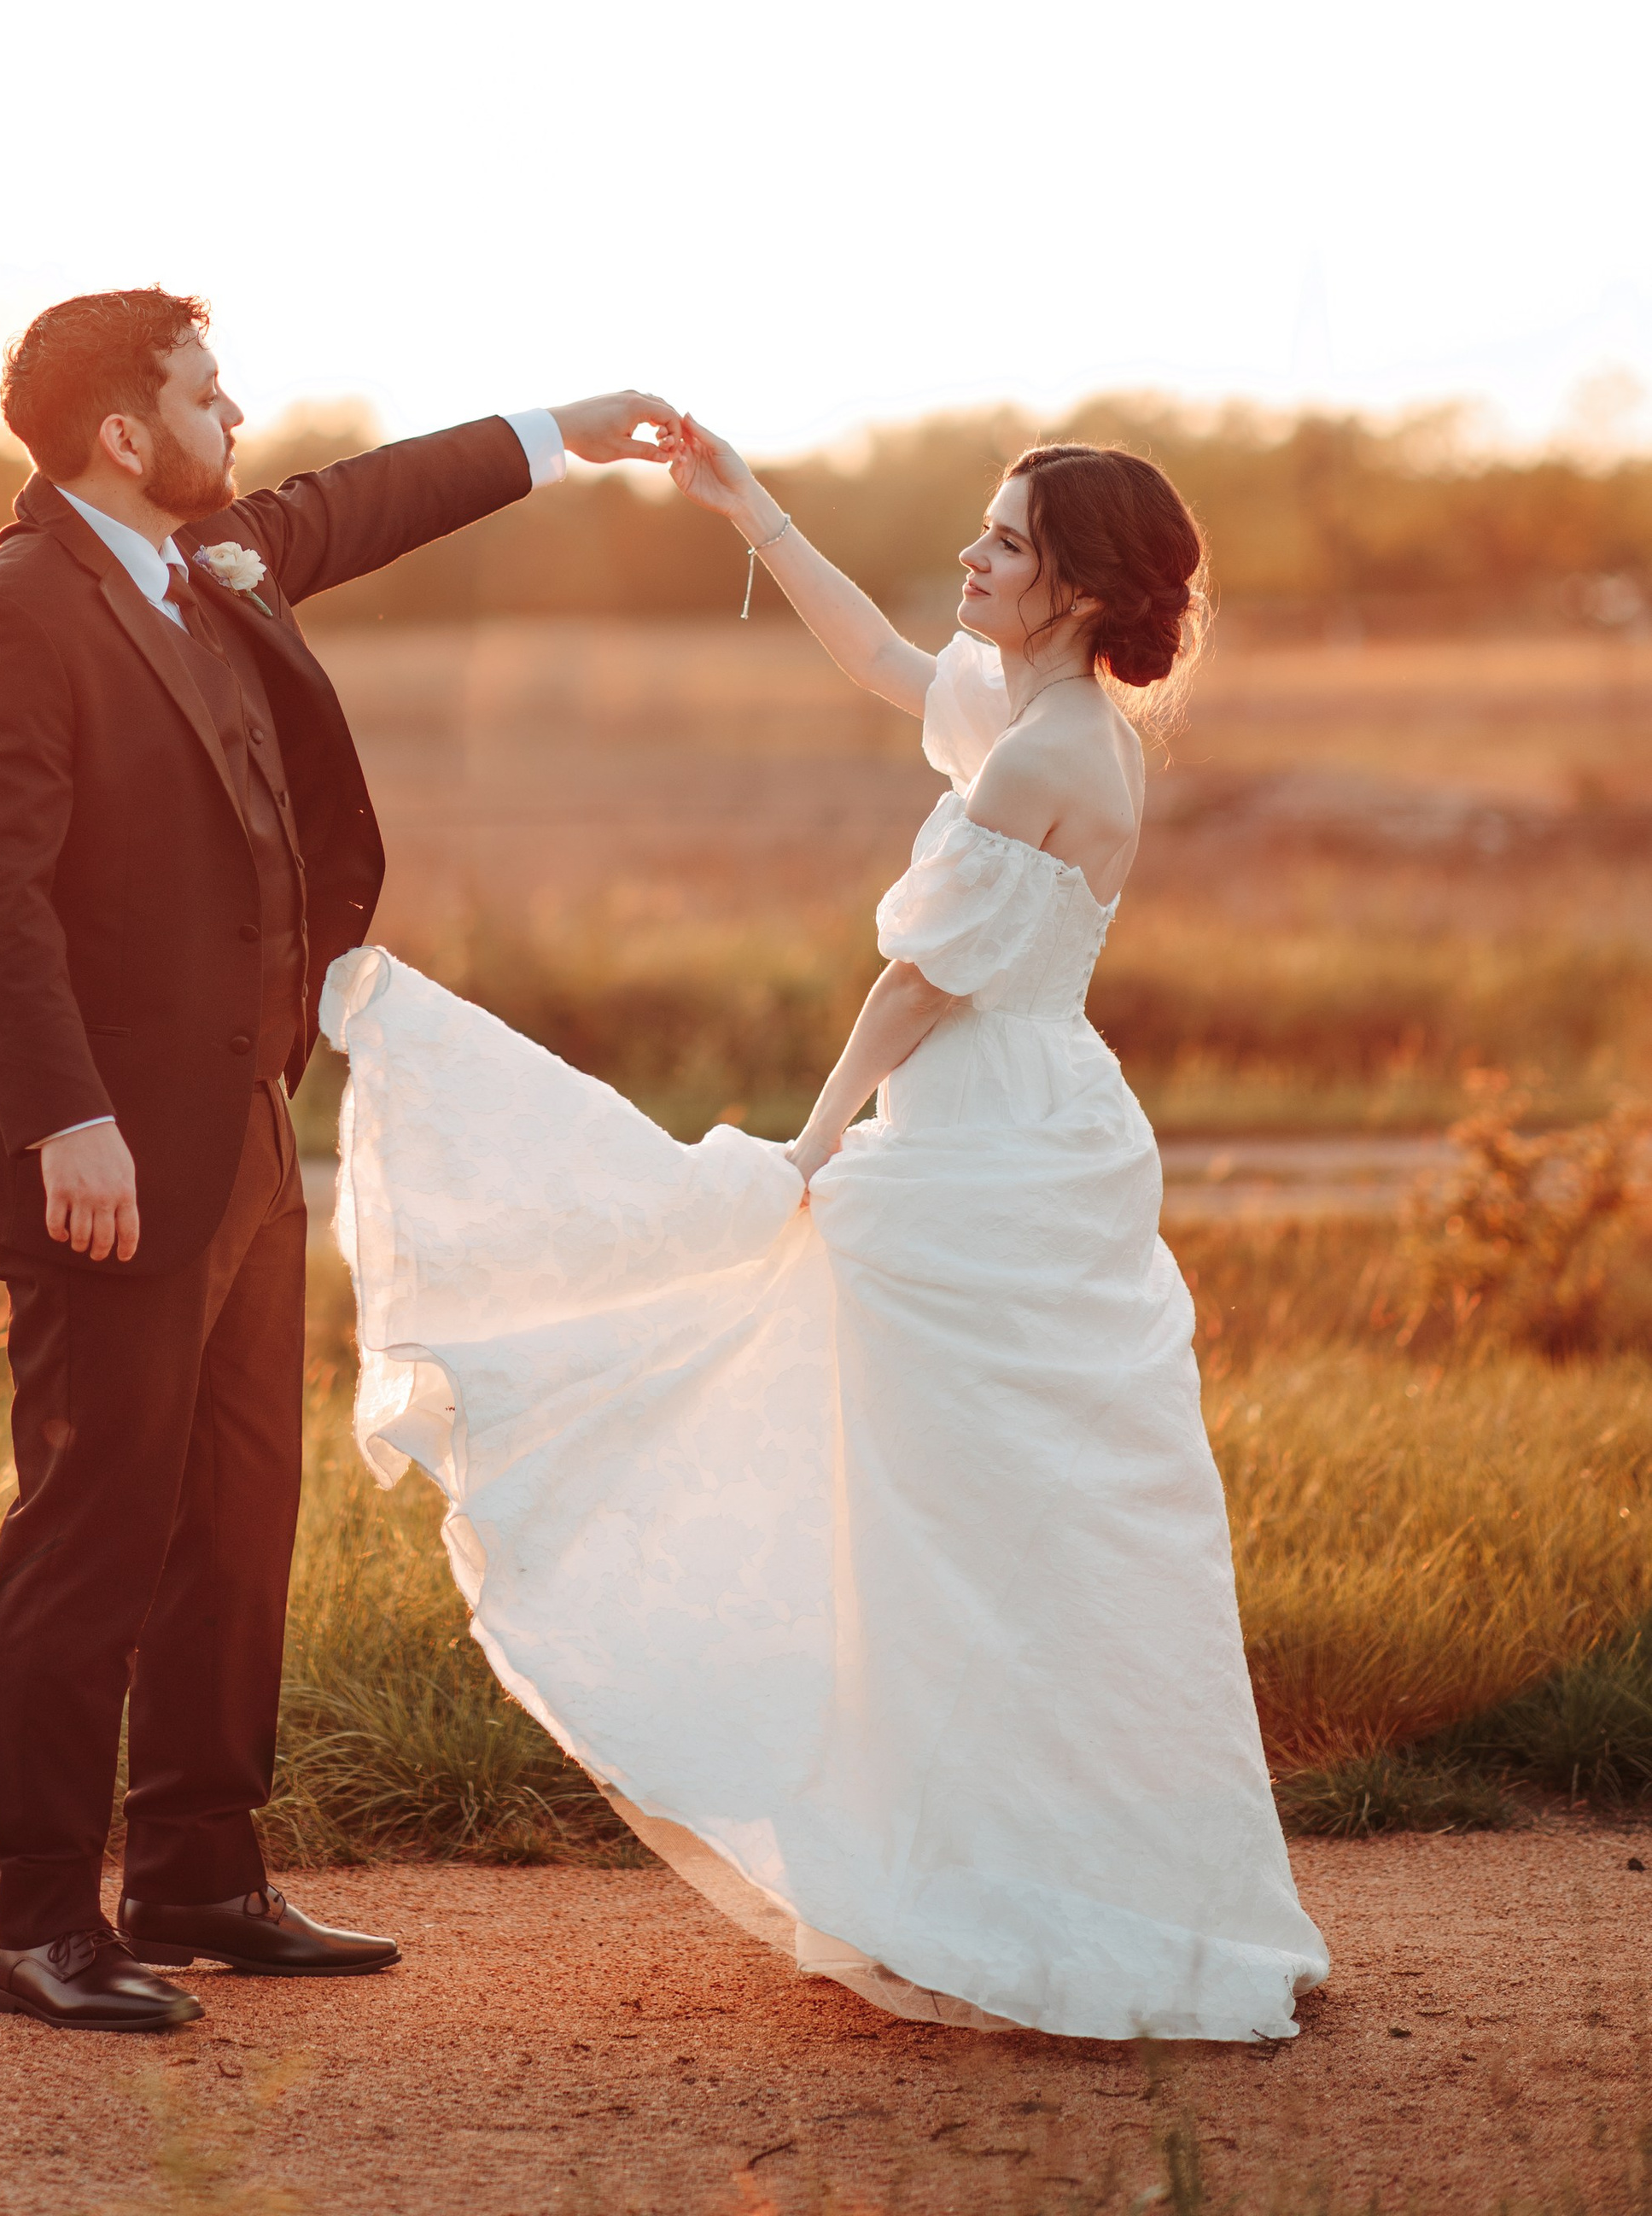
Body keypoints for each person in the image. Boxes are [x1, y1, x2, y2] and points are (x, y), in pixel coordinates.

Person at [321, 429, 1330, 2044]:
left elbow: (924, 982)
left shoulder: (1043, 755)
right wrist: (752, 510)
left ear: (1076, 585)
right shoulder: (1053, 717)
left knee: (953, 1506)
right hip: (1045, 1124)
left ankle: (1025, 1887)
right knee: (1021, 1525)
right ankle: (1047, 1865)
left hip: (986, 1147)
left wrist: (805, 1142)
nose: (972, 563)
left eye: (1004, 546)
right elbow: (877, 657)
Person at [0, 284, 677, 2031]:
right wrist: (66, 1119)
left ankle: (195, 1872)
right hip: (99, 1159)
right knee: (92, 1534)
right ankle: (41, 1928)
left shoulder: (208, 560)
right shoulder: (16, 616)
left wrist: (570, 430)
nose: (236, 414)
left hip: (246, 1140)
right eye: (205, 392)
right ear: (126, 431)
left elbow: (367, 499)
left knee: (236, 1517)